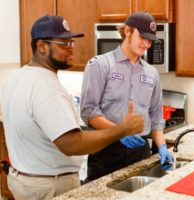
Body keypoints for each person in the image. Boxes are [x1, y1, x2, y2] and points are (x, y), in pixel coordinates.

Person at [1, 15, 144, 200]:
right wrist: (121, 130)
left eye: (71, 43)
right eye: (63, 44)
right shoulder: (46, 87)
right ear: (41, 46)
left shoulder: (18, 77)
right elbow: (71, 144)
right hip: (49, 187)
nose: (70, 49)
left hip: (25, 181)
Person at [80, 11, 173, 183]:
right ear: (127, 31)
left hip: (141, 151)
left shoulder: (152, 73)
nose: (146, 44)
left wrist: (161, 146)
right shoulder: (100, 64)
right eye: (142, 37)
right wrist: (119, 133)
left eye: (150, 40)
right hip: (106, 150)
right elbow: (89, 111)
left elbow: (156, 117)